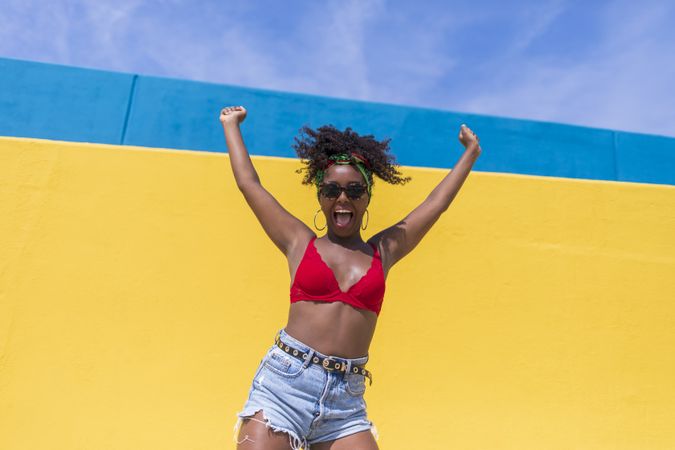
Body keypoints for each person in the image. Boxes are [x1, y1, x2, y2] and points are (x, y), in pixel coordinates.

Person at [220, 105, 481, 450]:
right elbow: (249, 184)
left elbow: (435, 204)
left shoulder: (383, 252)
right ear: (320, 195)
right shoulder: (299, 242)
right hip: (285, 387)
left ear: (367, 196)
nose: (343, 199)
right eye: (332, 190)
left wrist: (470, 154)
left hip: (345, 402)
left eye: (354, 190)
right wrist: (231, 125)